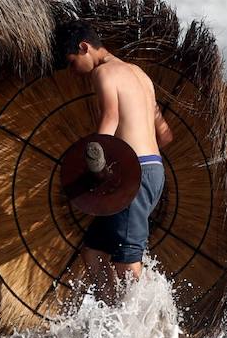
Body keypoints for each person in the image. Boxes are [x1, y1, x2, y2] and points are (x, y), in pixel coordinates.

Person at [55, 21, 174, 302]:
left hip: (132, 176)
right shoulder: (140, 75)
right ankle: (115, 315)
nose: (73, 72)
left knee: (127, 259)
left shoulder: (104, 72)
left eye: (71, 63)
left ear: (84, 47)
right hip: (153, 170)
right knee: (94, 251)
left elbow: (111, 116)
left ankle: (150, 321)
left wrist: (93, 156)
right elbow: (166, 135)